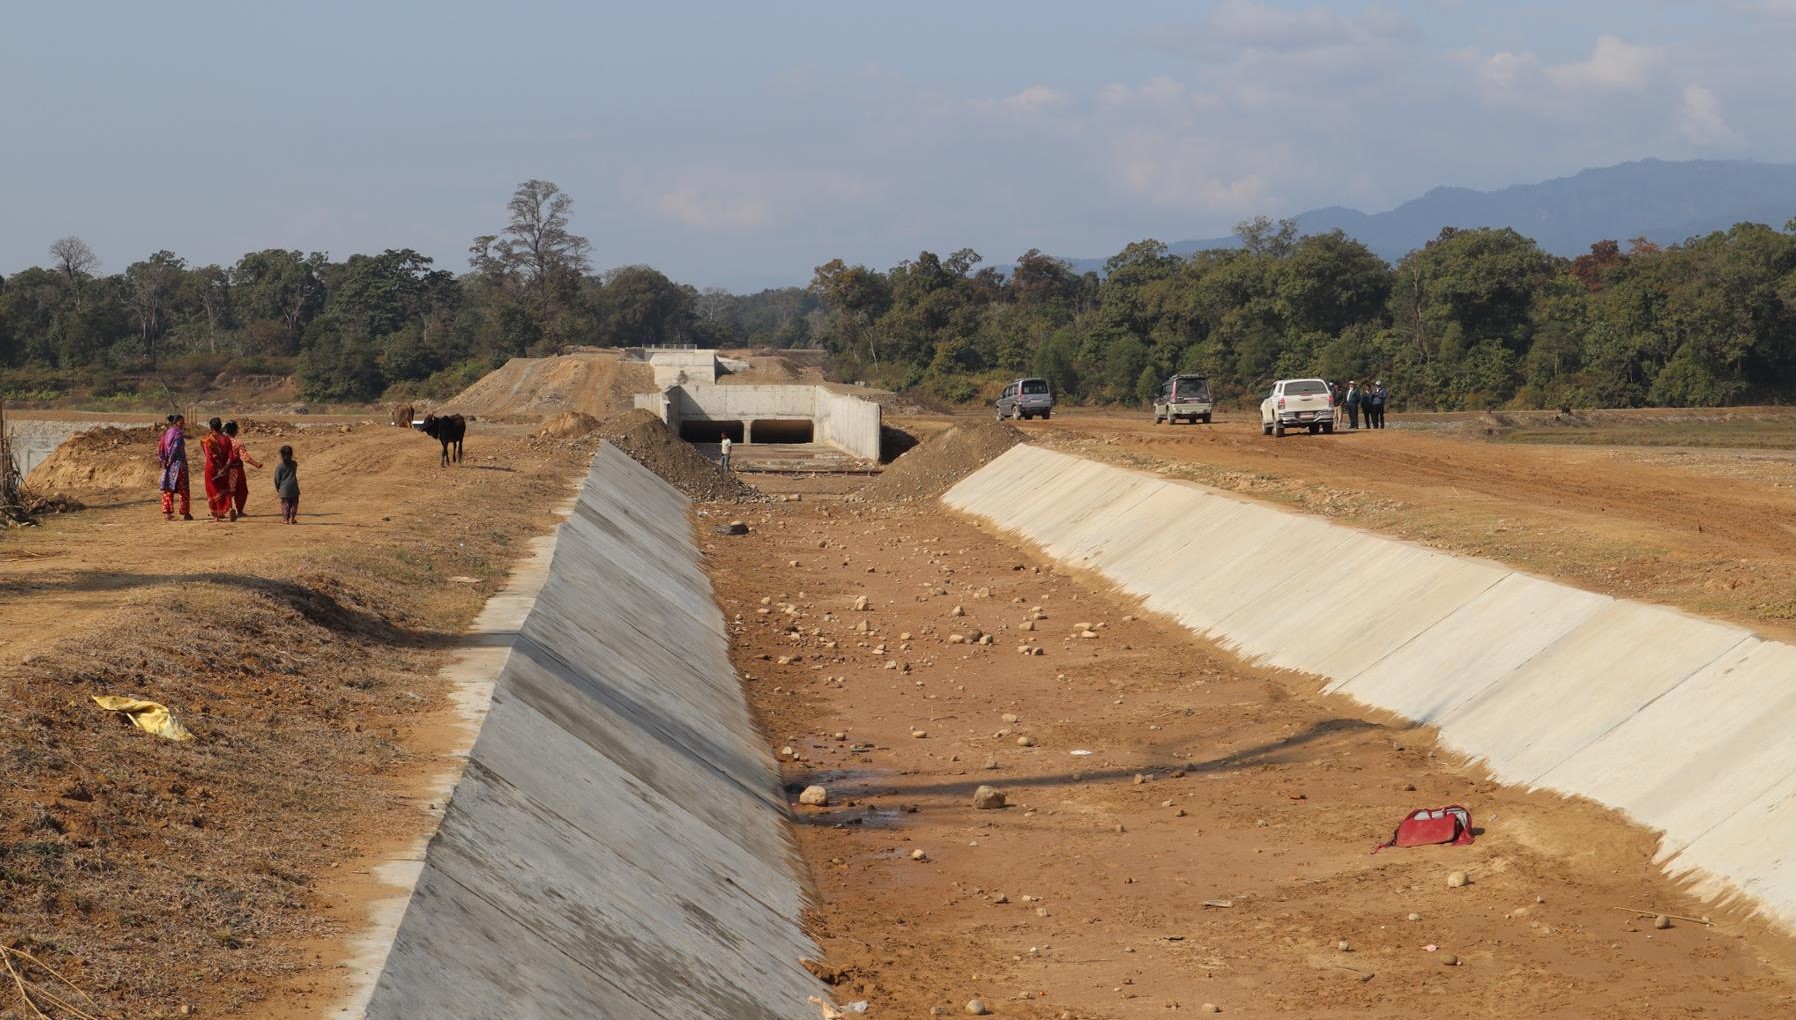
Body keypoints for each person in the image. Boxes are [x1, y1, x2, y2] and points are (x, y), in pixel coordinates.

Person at [222, 420, 262, 520]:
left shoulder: (221, 442)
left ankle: (226, 509)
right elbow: (244, 457)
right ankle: (239, 510)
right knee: (241, 491)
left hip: (224, 470)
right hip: (237, 469)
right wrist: (256, 464)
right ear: (235, 431)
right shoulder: (238, 443)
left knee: (227, 490)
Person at [157, 414, 192, 521]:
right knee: (184, 490)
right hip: (179, 465)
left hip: (168, 466)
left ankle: (167, 513)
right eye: (181, 422)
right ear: (176, 422)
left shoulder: (166, 433)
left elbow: (161, 448)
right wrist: (171, 460)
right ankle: (185, 513)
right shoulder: (178, 434)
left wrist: (164, 461)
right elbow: (176, 448)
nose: (183, 424)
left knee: (168, 489)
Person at [200, 417, 234, 521]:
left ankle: (216, 515)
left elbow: (209, 458)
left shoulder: (208, 441)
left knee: (213, 491)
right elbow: (231, 456)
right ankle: (225, 511)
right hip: (224, 469)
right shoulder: (226, 439)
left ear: (211, 427)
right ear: (220, 426)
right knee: (223, 489)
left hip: (211, 470)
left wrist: (217, 469)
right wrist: (225, 468)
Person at [273, 445, 300, 525]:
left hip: (284, 489)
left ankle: (285, 519)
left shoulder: (279, 466)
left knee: (285, 504)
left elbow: (277, 478)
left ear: (281, 454)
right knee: (294, 503)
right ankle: (292, 518)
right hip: (294, 487)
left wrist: (277, 487)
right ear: (291, 454)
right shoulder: (294, 464)